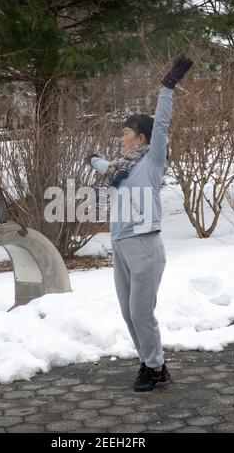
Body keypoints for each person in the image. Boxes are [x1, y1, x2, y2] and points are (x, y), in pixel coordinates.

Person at [85, 56, 194, 392]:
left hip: (145, 245)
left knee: (142, 313)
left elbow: (161, 124)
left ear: (142, 139)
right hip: (121, 246)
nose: (121, 138)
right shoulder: (121, 169)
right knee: (129, 314)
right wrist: (91, 160)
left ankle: (157, 368)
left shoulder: (152, 161)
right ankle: (149, 362)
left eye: (126, 133)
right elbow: (109, 165)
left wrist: (167, 88)